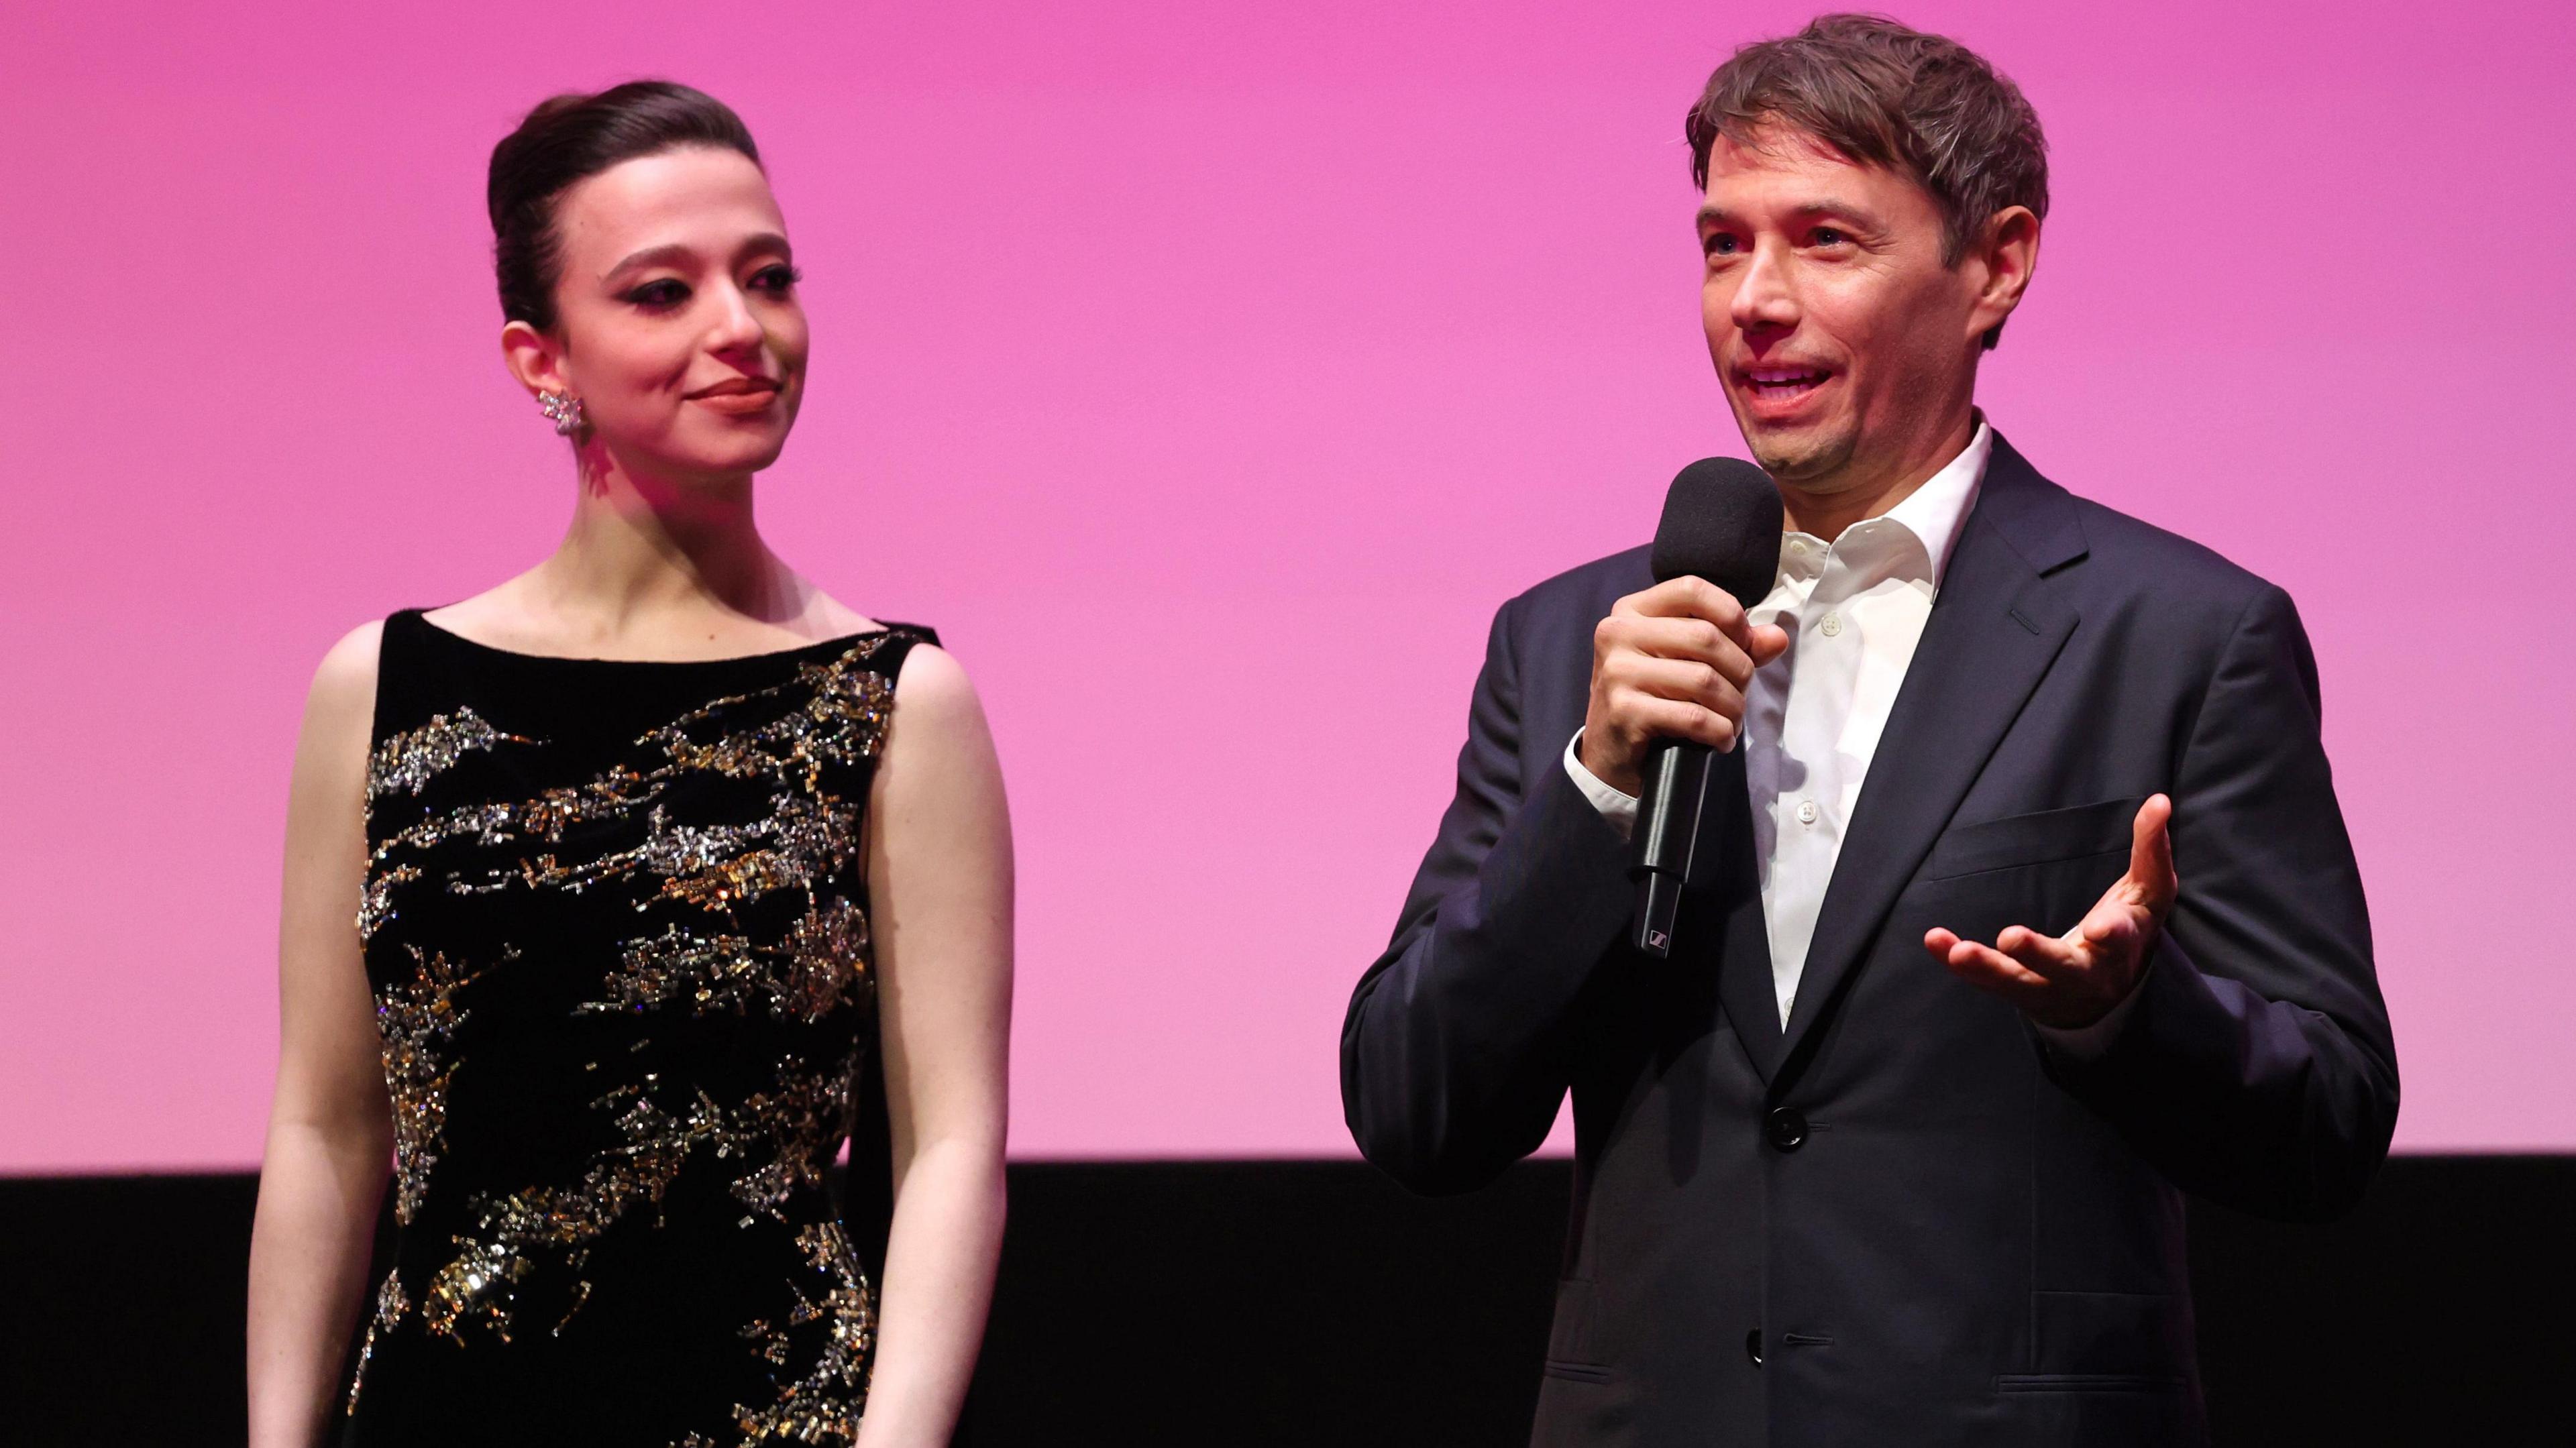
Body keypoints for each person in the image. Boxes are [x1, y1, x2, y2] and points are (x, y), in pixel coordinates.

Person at [1339, 16, 2396, 1445]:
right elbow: (1419, 1110)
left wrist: (2121, 1019)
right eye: (1723, 244)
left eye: (1825, 240)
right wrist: (1594, 792)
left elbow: (2327, 1123)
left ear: (1997, 264)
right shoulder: (1572, 643)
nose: (1752, 302)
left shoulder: (2183, 637)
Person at [245, 82, 1011, 1447]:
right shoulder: (383, 690)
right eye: (664, 292)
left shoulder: (894, 703)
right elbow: (325, 1130)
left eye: (769, 278)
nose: (743, 329)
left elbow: (950, 1148)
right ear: (543, 361)